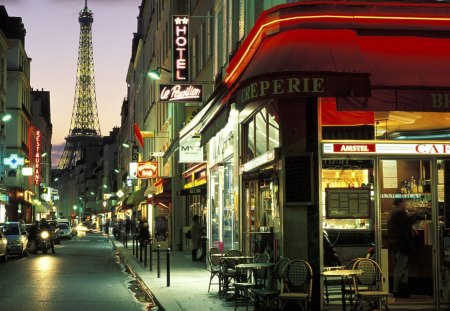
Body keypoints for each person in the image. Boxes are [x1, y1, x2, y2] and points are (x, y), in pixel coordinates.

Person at [387, 198, 416, 298]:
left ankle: (403, 289)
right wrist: (415, 211)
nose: (406, 204)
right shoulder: (399, 212)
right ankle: (397, 290)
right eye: (404, 202)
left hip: (396, 243)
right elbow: (410, 221)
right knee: (401, 267)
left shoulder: (393, 212)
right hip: (401, 243)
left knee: (402, 266)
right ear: (400, 203)